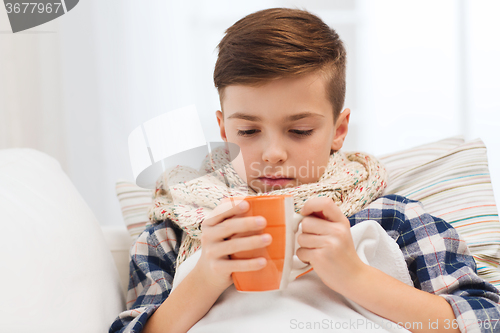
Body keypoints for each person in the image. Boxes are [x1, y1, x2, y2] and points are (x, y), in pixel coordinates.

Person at [109, 8, 500, 333]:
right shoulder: (174, 230)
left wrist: (355, 277)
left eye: (299, 131)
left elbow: (483, 321)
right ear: (223, 129)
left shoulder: (396, 218)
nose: (273, 153)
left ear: (339, 130)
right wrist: (204, 279)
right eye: (247, 131)